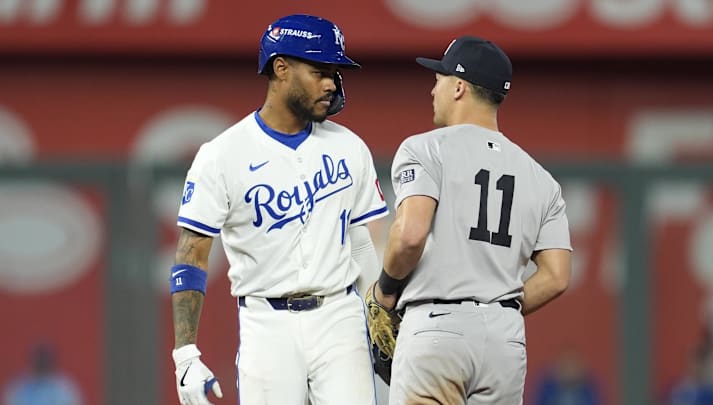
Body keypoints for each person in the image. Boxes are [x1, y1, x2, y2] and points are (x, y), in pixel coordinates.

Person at [169, 14, 388, 405]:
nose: (330, 83)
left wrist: (380, 317)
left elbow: (361, 246)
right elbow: (192, 256)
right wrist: (185, 354)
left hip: (339, 316)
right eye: (320, 70)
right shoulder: (222, 155)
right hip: (265, 324)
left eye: (334, 72)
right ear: (281, 68)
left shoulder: (349, 146)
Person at [370, 36, 573, 404]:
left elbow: (410, 235)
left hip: (436, 326)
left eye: (440, 79)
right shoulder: (541, 178)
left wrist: (384, 292)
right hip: (505, 341)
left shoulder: (425, 148)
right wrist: (497, 305)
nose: (434, 88)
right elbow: (557, 277)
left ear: (459, 87)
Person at [2, 343, 83, 405]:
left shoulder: (65, 388)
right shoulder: (18, 386)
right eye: (39, 359)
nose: (42, 363)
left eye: (45, 360)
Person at [533, 348, 601, 405]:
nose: (569, 369)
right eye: (566, 364)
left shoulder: (588, 390)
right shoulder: (547, 389)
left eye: (573, 365)